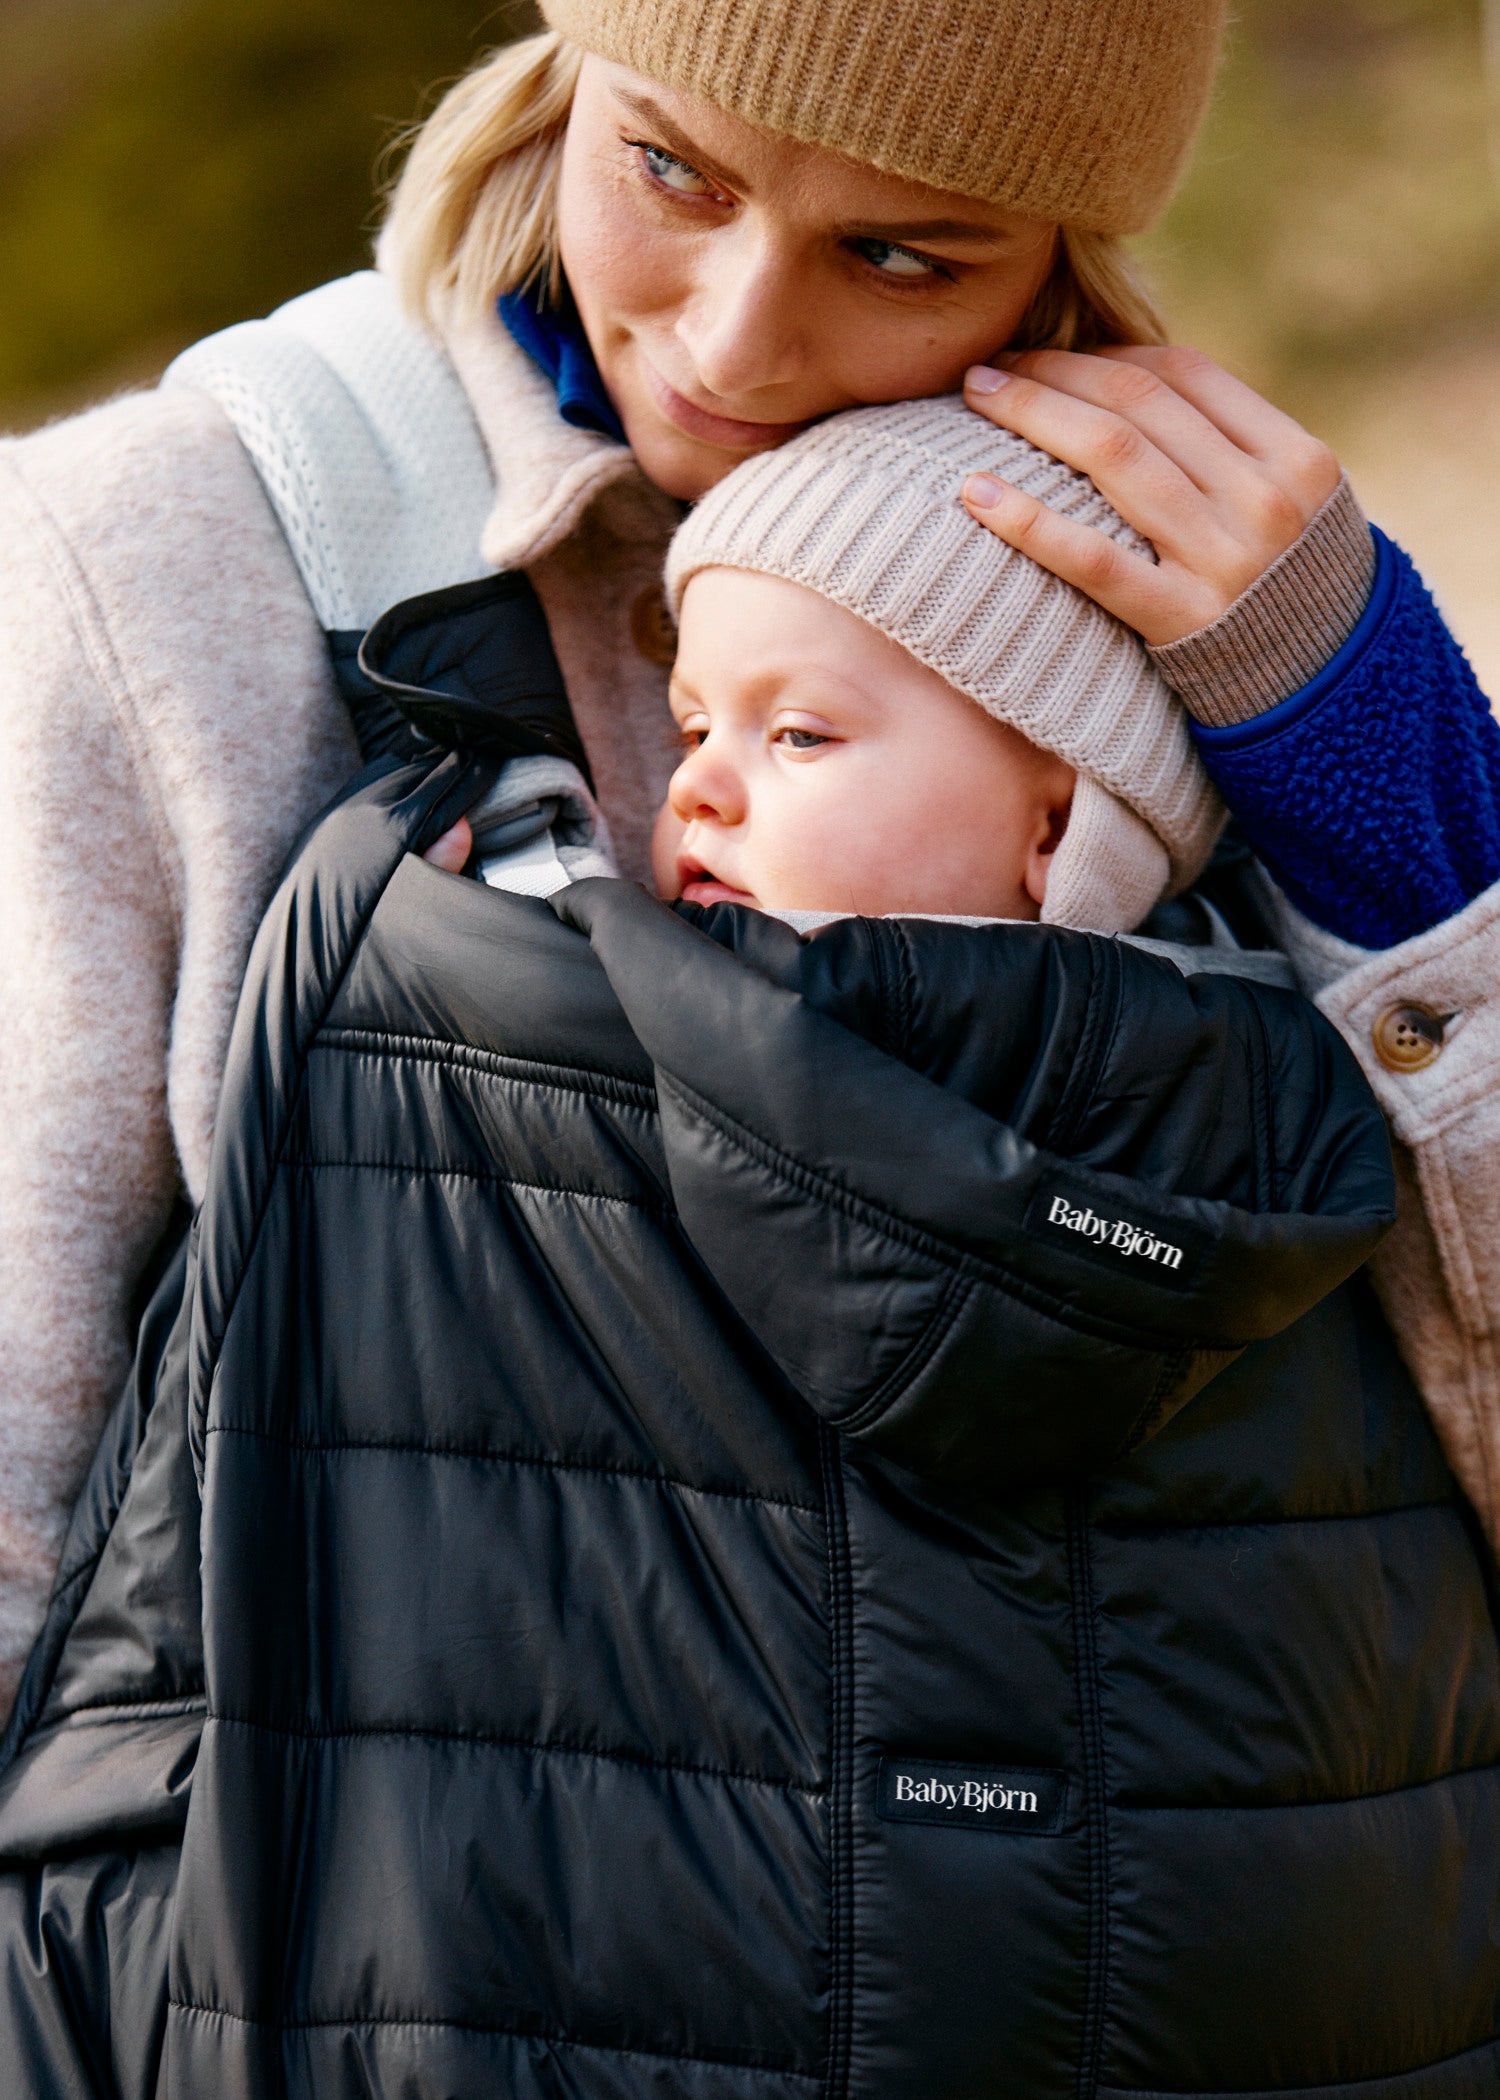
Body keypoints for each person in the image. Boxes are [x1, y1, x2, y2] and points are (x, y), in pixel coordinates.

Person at [2, 419, 1494, 2094]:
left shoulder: (1311, 1116)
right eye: (694, 719)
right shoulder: (1283, 1128)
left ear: (1064, 818)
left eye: (797, 731)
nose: (694, 779)